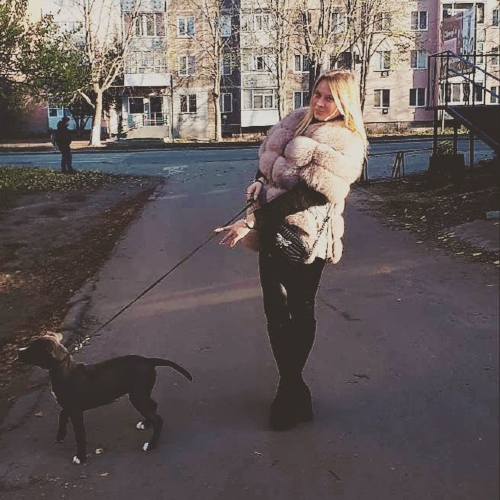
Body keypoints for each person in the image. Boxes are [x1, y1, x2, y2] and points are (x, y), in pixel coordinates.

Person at [214, 70, 368, 431]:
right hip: (272, 230)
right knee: (275, 311)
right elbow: (267, 164)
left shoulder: (347, 142)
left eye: (330, 98)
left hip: (307, 236)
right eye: (317, 94)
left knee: (299, 309)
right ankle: (293, 387)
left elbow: (308, 196)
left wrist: (252, 221)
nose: (320, 102)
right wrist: (258, 184)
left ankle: (287, 390)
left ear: (344, 102)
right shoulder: (294, 122)